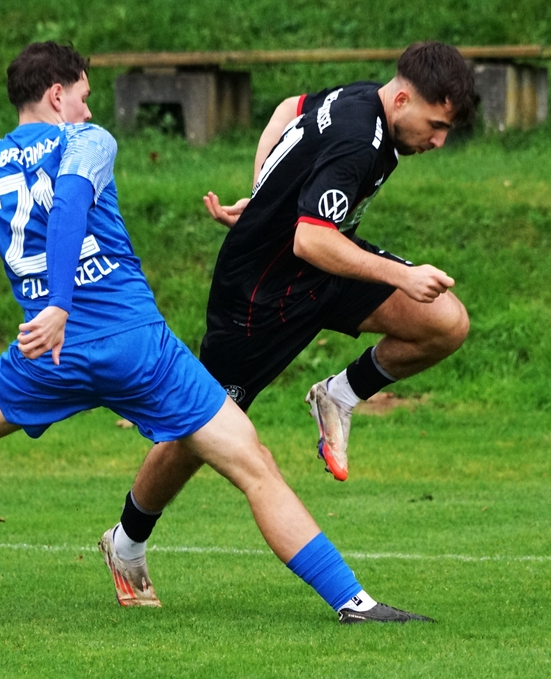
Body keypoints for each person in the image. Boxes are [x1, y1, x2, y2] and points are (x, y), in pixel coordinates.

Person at [0, 41, 430, 625]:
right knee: (253, 464)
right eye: (83, 95)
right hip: (134, 345)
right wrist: (61, 303)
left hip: (48, 355)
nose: (89, 108)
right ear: (57, 95)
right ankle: (353, 602)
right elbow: (70, 199)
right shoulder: (86, 141)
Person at [99, 41, 478, 607]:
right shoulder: (358, 138)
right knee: (197, 433)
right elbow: (309, 238)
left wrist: (262, 192)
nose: (439, 141)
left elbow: (287, 109)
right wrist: (401, 276)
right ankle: (126, 540)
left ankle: (339, 394)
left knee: (445, 321)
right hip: (259, 295)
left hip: (323, 272)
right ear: (403, 100)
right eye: (436, 125)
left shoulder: (363, 98)